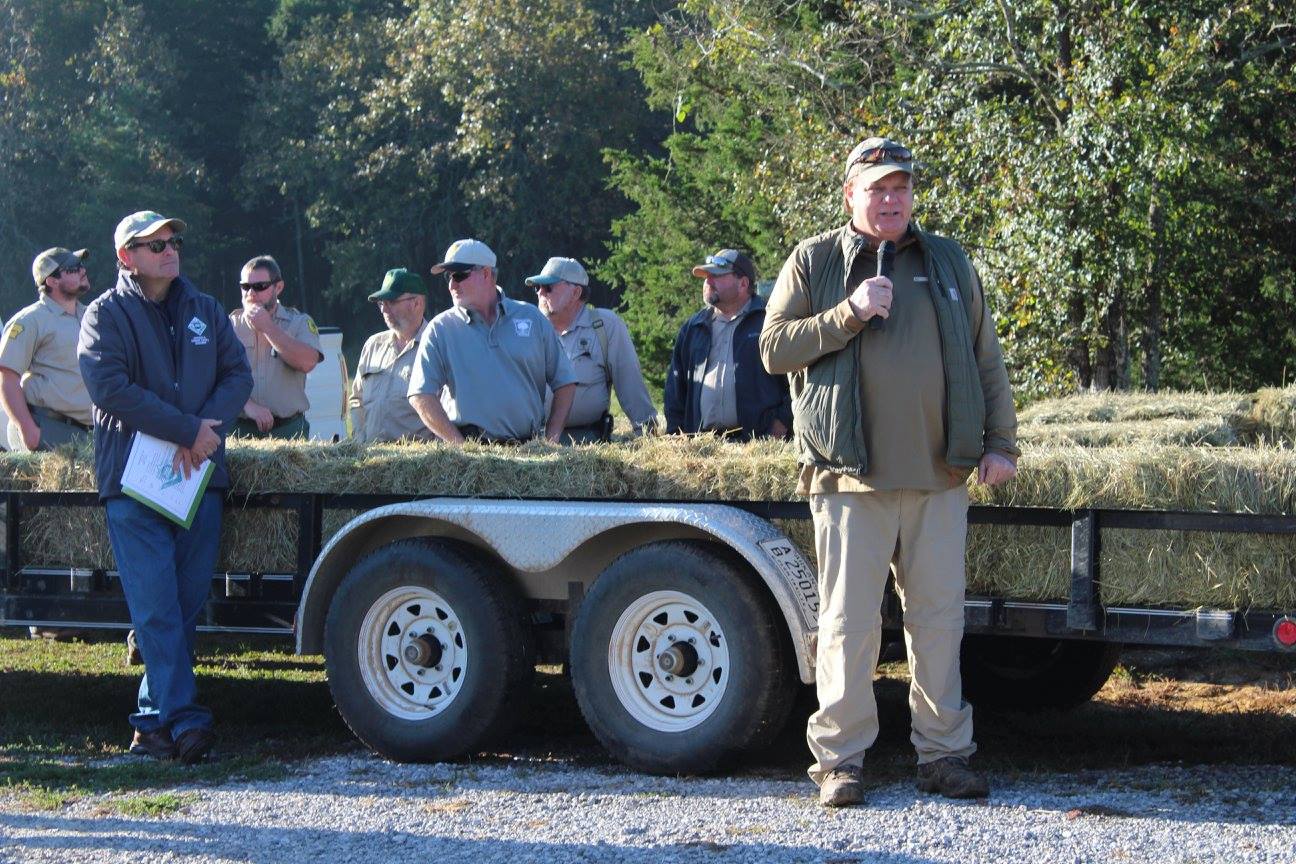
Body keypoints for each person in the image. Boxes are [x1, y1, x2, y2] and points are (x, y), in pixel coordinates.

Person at [759, 137, 1019, 806]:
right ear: (850, 194)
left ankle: (944, 755)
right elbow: (773, 350)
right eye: (877, 187)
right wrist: (848, 313)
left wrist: (1001, 443)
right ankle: (840, 763)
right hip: (849, 479)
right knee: (848, 626)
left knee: (938, 622)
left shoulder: (949, 260)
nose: (891, 197)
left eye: (900, 186)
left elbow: (985, 357)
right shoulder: (815, 259)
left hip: (941, 477)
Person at [78, 210, 253, 764]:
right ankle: (186, 719)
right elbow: (109, 387)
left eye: (172, 241)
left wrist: (203, 433)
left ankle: (152, 725)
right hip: (133, 481)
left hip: (198, 475)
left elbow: (238, 377)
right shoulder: (105, 314)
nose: (168, 251)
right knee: (155, 606)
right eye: (153, 246)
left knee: (182, 604)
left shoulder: (204, 308)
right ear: (125, 257)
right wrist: (185, 429)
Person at [408, 239, 576, 444]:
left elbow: (565, 382)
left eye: (459, 275)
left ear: (486, 274)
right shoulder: (440, 329)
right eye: (449, 277)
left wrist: (551, 441)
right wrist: (461, 447)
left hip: (528, 455)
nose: (452, 284)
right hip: (469, 460)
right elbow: (420, 395)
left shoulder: (532, 319)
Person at [664, 248, 791, 440]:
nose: (708, 281)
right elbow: (675, 389)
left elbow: (800, 379)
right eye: (706, 276)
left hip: (758, 448)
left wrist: (782, 422)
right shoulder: (693, 328)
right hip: (703, 448)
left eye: (716, 275)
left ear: (743, 283)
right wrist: (675, 435)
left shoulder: (771, 321)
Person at [528, 256, 657, 443]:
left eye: (548, 287)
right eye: (536, 287)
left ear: (575, 293)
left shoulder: (606, 327)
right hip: (534, 443)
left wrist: (649, 439)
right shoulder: (528, 330)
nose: (540, 293)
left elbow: (631, 386)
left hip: (588, 445)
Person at [0, 247, 94, 452]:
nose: (82, 270)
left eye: (80, 265)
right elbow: (7, 377)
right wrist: (27, 429)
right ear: (51, 281)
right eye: (73, 268)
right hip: (48, 427)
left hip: (88, 432)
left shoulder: (91, 317)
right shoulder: (30, 320)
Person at [229, 255, 322, 439]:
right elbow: (215, 376)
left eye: (260, 286)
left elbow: (308, 363)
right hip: (239, 430)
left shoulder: (299, 323)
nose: (251, 293)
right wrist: (247, 405)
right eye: (245, 287)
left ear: (278, 287)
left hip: (287, 430)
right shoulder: (229, 325)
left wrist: (268, 328)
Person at [350, 268, 435, 444]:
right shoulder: (373, 345)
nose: (384, 309)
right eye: (381, 303)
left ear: (417, 303)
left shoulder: (437, 345)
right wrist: (360, 441)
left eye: (391, 302)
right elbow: (356, 400)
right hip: (372, 462)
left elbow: (448, 409)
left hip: (417, 464)